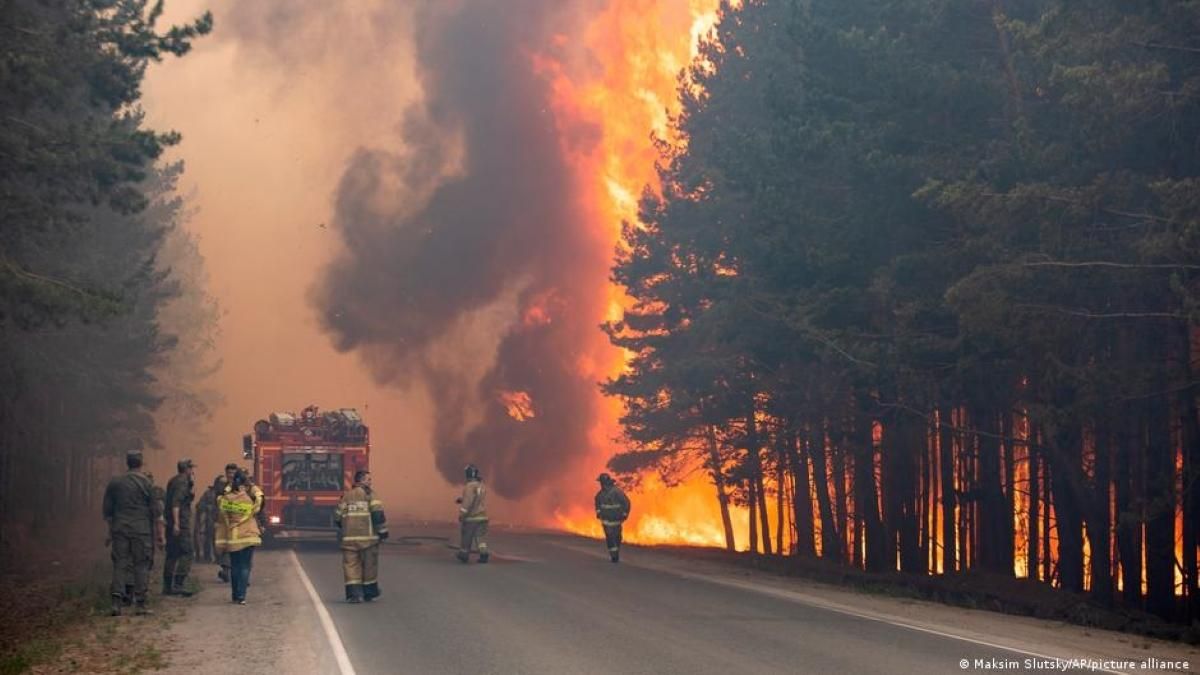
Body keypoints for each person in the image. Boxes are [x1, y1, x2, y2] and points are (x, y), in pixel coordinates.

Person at [102, 451, 164, 616]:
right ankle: (140, 604)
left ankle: (116, 603)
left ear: (127, 462)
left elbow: (108, 511)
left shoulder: (115, 483)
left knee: (120, 564)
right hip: (141, 530)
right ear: (140, 463)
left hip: (120, 528)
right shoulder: (147, 483)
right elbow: (157, 511)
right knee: (141, 565)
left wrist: (110, 532)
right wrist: (160, 535)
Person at [333, 470, 388, 603]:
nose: (370, 482)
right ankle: (369, 593)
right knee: (369, 566)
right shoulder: (370, 495)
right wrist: (383, 532)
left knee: (351, 567)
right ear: (361, 481)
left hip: (349, 540)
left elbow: (337, 517)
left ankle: (354, 595)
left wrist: (346, 529)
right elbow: (377, 516)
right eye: (368, 479)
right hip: (368, 540)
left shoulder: (346, 496)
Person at [214, 470, 262, 604]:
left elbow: (219, 504)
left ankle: (235, 595)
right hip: (249, 536)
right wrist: (251, 485)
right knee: (245, 567)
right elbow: (260, 500)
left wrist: (229, 487)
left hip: (234, 537)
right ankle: (242, 596)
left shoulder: (226, 500)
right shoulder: (248, 499)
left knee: (235, 566)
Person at [163, 459, 196, 597]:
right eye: (191, 469)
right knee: (187, 552)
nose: (192, 471)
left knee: (172, 554)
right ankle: (178, 584)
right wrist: (177, 523)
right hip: (179, 523)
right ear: (186, 469)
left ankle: (167, 587)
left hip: (171, 522)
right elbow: (176, 503)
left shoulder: (173, 480)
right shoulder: (182, 482)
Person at [455, 464, 489, 564]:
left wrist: (462, 514)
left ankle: (464, 555)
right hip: (482, 517)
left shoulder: (469, 486)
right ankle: (484, 554)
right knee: (480, 537)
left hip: (472, 518)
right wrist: (462, 499)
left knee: (466, 536)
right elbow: (477, 499)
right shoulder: (481, 485)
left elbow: (468, 502)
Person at [594, 473, 631, 563]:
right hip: (606, 520)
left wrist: (625, 514)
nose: (602, 484)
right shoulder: (600, 494)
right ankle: (614, 556)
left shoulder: (617, 492)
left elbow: (626, 502)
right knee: (610, 537)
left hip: (616, 519)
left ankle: (615, 550)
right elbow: (597, 504)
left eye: (602, 482)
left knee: (617, 537)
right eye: (601, 482)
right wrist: (598, 513)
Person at [216, 463, 237, 582]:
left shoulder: (241, 486)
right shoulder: (221, 487)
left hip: (237, 521)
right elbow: (216, 502)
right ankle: (225, 570)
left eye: (233, 473)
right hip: (223, 521)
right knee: (224, 547)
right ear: (226, 473)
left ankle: (232, 572)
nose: (231, 475)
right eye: (229, 473)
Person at [193, 479, 216, 564]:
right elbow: (199, 505)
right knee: (209, 539)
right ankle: (207, 557)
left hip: (221, 520)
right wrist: (208, 507)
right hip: (210, 520)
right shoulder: (208, 493)